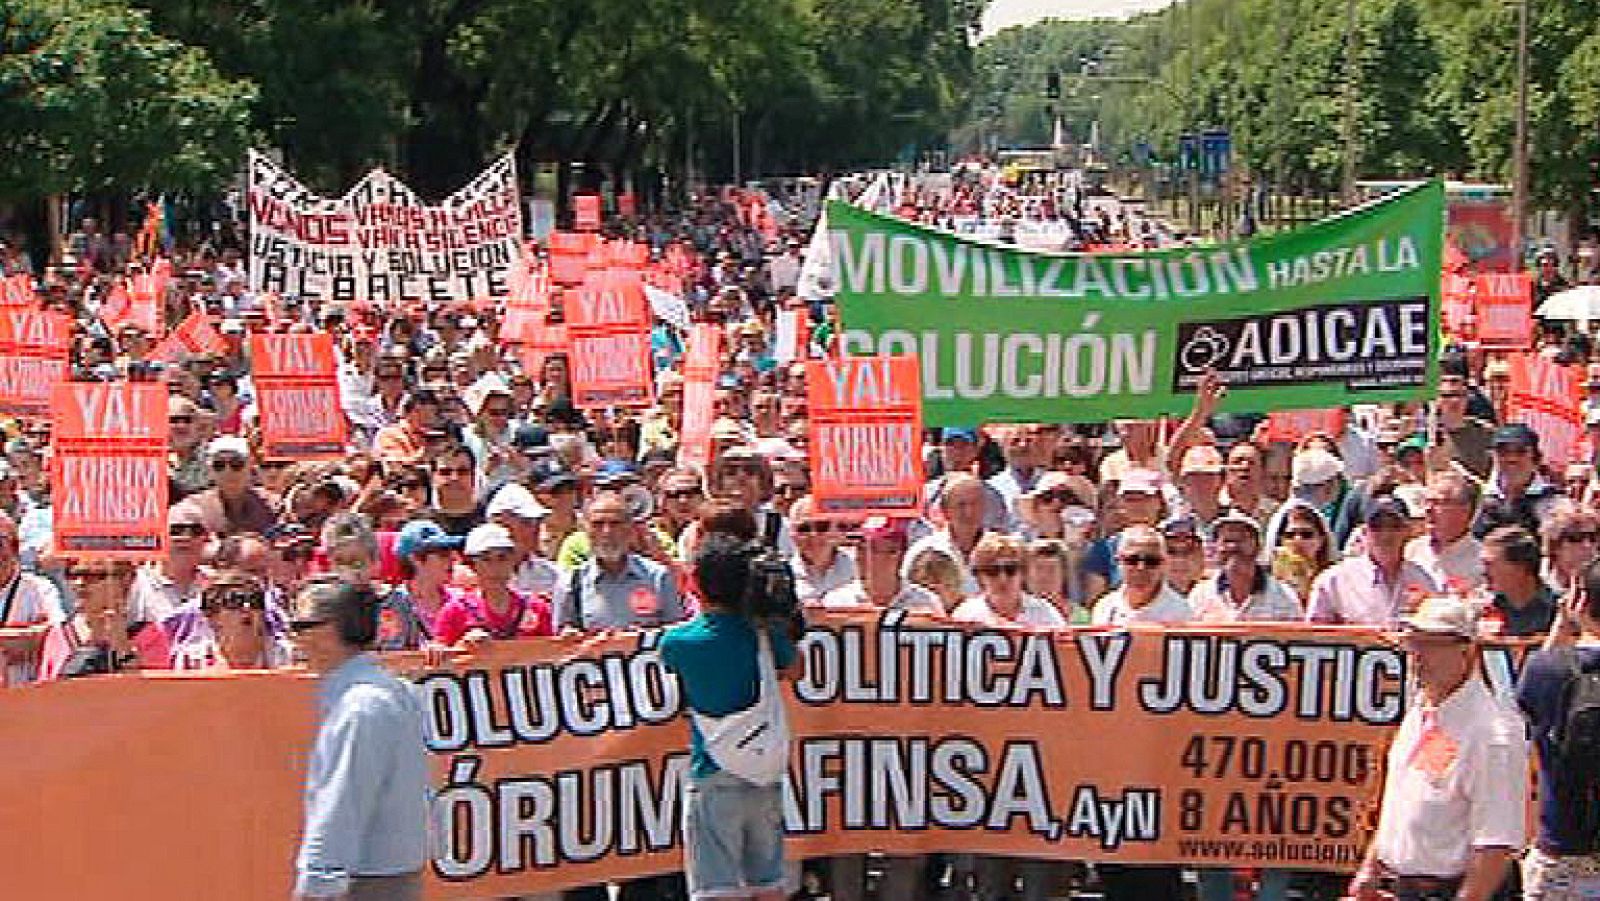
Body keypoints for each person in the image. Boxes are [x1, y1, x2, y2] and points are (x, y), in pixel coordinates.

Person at [1349, 595, 1526, 901]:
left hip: (1452, 890)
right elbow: (1404, 802)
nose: (1418, 655)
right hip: (1400, 886)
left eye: (1432, 644)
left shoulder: (1491, 733)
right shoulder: (1422, 712)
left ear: (1467, 651)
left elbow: (1495, 844)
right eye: (1413, 643)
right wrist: (1370, 870)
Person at [658, 533, 800, 901]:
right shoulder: (764, 634)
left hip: (714, 773)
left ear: (697, 583)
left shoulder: (679, 643)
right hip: (765, 772)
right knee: (768, 884)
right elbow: (794, 668)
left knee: (716, 889)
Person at [290, 578, 430, 901]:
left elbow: (343, 801)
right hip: (390, 876)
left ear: (328, 631)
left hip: (363, 883)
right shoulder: (392, 690)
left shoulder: (360, 707)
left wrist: (317, 884)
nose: (293, 638)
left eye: (300, 625)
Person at [1515, 559, 1600, 898]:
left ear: (1579, 601)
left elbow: (1523, 706)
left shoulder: (1547, 669)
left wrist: (1562, 626)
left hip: (1562, 855)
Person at [552, 493, 683, 631]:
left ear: (630, 528)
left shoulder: (657, 576)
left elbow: (674, 632)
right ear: (585, 529)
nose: (607, 532)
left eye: (615, 524)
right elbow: (561, 636)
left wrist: (641, 638)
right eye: (598, 524)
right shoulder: (570, 582)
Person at [1306, 498, 1437, 626]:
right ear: (1363, 532)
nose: (1386, 534)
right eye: (1376, 527)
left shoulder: (1423, 579)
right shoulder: (1333, 580)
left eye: (1395, 526)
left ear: (1408, 531)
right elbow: (1315, 637)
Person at [434, 523, 553, 646]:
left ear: (513, 561)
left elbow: (552, 653)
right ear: (473, 565)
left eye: (502, 558)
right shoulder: (456, 610)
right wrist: (463, 645)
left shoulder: (536, 607)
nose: (495, 568)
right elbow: (439, 655)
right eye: (486, 560)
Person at [1188, 513, 1303, 624]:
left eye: (1241, 540)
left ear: (1258, 547)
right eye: (1227, 541)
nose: (1233, 547)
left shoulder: (1284, 596)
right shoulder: (1200, 595)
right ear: (1215, 549)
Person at [820, 516, 943, 615]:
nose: (861, 556)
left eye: (872, 549)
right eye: (859, 548)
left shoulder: (926, 602)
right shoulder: (837, 602)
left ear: (898, 554)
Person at [951, 533, 1066, 628]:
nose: (1003, 578)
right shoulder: (966, 615)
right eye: (992, 571)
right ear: (980, 576)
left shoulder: (1045, 612)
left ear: (1023, 573)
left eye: (1010, 569)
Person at [904, 473, 989, 596]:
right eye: (961, 505)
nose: (969, 512)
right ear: (945, 510)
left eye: (975, 503)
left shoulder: (999, 549)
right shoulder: (923, 550)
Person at [1474, 423, 1563, 539]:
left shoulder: (1555, 503)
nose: (1512, 458)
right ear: (1493, 456)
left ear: (1536, 457)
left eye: (1520, 451)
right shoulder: (1475, 498)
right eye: (1503, 452)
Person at [1405, 471, 1484, 593]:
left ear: (1464, 510)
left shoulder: (1481, 561)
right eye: (1427, 501)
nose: (1428, 509)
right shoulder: (1410, 551)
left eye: (1437, 503)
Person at [1481, 525, 1558, 637]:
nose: (1484, 572)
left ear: (1520, 567)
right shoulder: (1484, 610)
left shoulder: (1558, 611)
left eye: (1489, 564)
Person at [787, 496, 856, 603]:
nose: (813, 535)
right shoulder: (783, 573)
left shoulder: (858, 568)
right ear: (792, 534)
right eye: (804, 529)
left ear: (836, 529)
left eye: (822, 527)